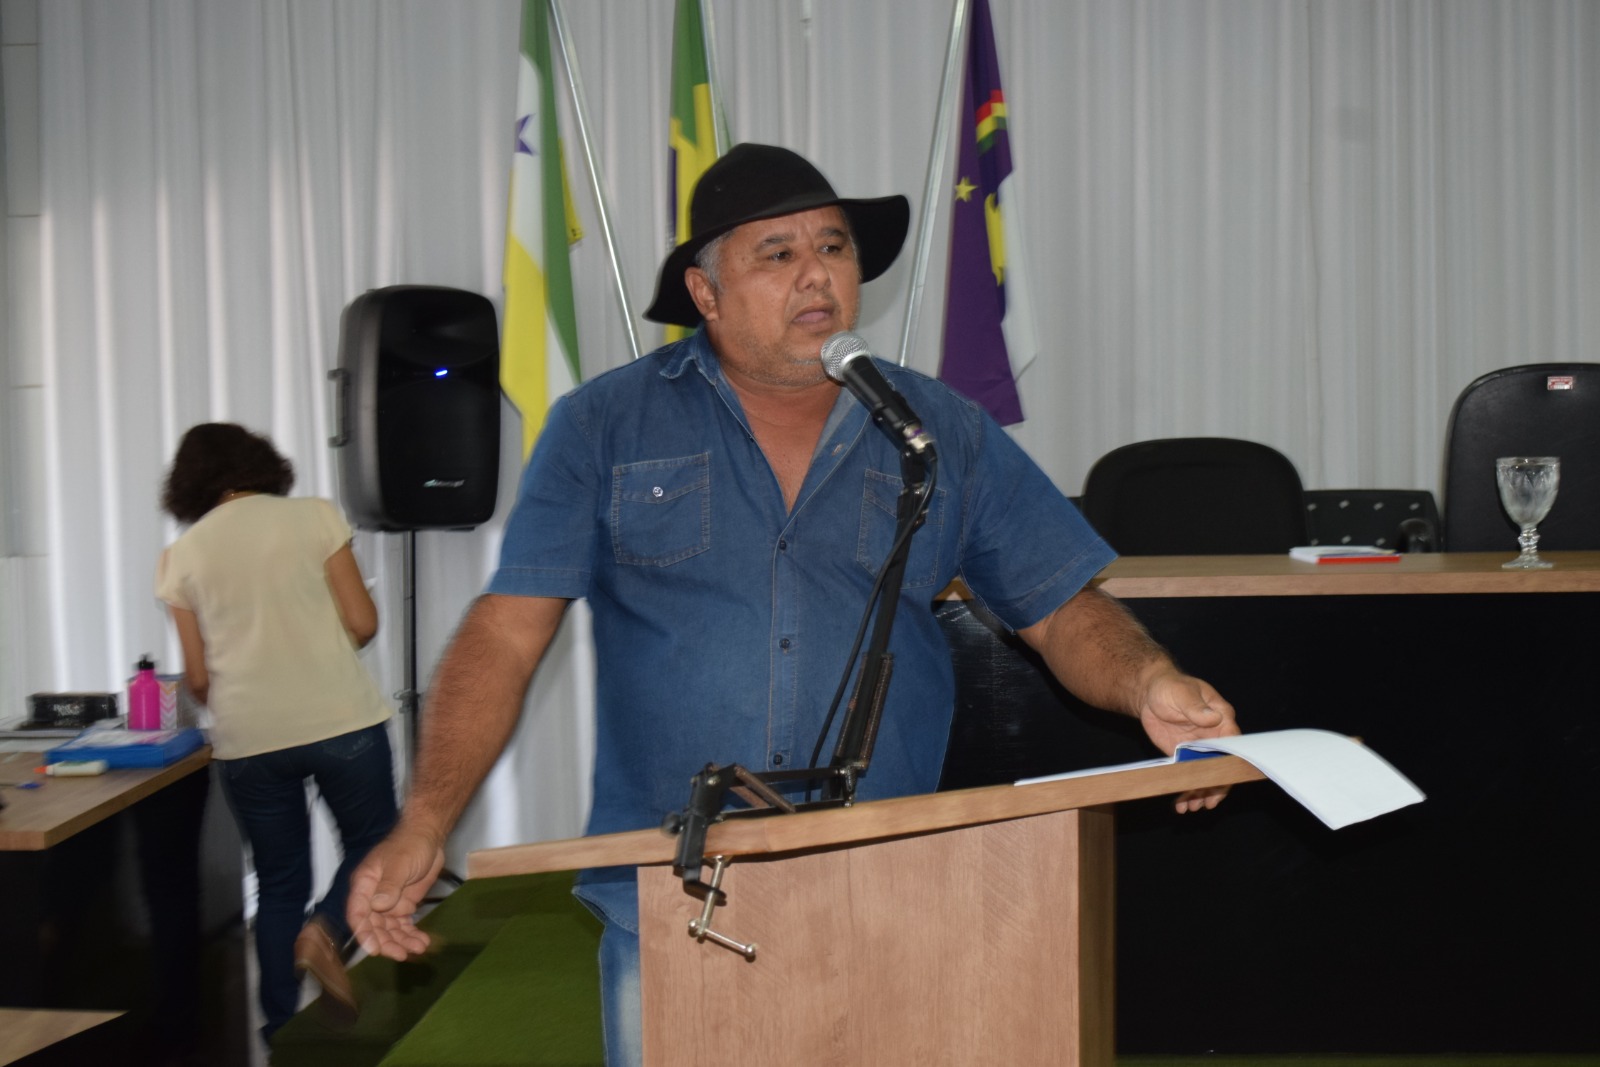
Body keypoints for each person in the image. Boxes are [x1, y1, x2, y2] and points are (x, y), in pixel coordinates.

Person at [347, 143, 1239, 1065]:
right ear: (705, 293)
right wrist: (427, 819)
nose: (817, 274)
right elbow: (507, 631)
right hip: (676, 897)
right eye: (777, 253)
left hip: (887, 884)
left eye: (834, 247)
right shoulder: (603, 425)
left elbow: (1057, 605)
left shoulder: (938, 430)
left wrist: (1150, 681)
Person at [156, 422, 398, 1045]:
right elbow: (363, 622)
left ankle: (282, 1029)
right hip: (340, 718)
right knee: (375, 840)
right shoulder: (313, 517)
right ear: (259, 463)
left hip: (249, 738)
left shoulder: (181, 557)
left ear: (189, 484)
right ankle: (325, 931)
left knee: (278, 880)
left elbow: (199, 679)